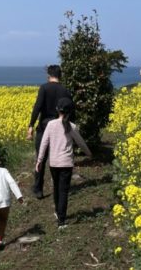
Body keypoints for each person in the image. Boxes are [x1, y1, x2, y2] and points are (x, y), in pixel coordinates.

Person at [36, 98, 92, 229]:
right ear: (70, 112)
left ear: (57, 110)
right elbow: (81, 142)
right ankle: (61, 220)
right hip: (66, 164)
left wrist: (39, 161)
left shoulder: (50, 124)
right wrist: (88, 153)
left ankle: (57, 212)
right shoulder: (71, 126)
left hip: (53, 163)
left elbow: (43, 143)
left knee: (56, 188)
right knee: (64, 191)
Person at [28, 64, 71, 199]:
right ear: (60, 75)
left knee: (41, 158)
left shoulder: (44, 88)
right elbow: (71, 109)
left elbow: (38, 107)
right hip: (60, 128)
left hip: (44, 127)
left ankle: (38, 189)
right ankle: (57, 187)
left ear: (49, 75)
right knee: (57, 157)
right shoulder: (65, 90)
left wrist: (31, 126)